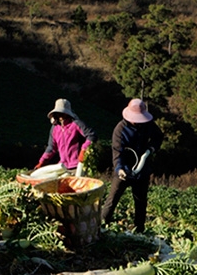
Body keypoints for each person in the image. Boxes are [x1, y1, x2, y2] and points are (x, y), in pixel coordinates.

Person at [101, 98, 164, 234]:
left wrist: (151, 149)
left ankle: (139, 230)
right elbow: (117, 152)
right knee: (112, 199)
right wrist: (120, 169)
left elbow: (158, 137)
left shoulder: (148, 125)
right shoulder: (120, 129)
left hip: (142, 170)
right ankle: (101, 225)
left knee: (141, 202)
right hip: (124, 169)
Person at [35, 98, 98, 171]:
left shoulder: (76, 124)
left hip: (78, 165)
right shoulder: (55, 128)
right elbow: (51, 148)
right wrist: (42, 161)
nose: (60, 115)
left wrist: (83, 150)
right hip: (62, 166)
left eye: (62, 113)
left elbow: (92, 135)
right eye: (58, 113)